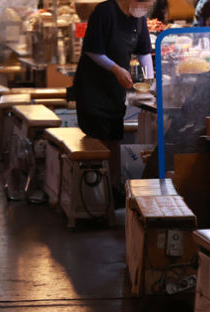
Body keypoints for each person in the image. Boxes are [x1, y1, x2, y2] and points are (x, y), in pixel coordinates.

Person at [73, 0, 154, 204]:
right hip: (93, 88)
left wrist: (150, 79)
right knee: (99, 138)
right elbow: (92, 50)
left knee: (115, 138)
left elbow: (144, 51)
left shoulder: (138, 18)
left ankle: (114, 190)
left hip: (115, 90)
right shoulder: (105, 12)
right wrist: (116, 69)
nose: (146, 6)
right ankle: (97, 197)